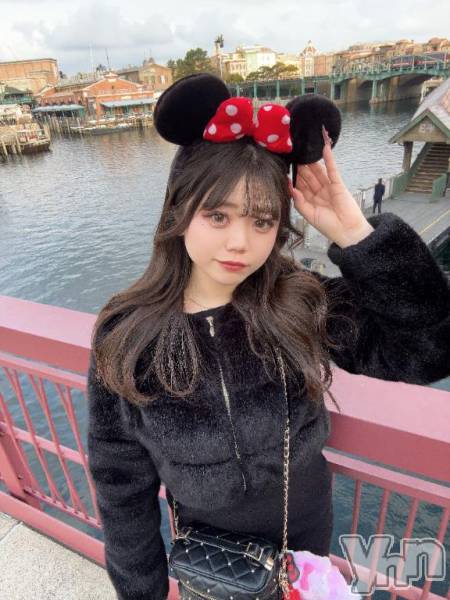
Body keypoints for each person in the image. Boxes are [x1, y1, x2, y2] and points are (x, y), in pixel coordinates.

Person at [86, 74, 450, 600]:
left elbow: (429, 350)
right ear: (180, 211)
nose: (240, 242)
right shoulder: (129, 335)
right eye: (217, 215)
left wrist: (354, 233)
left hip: (303, 548)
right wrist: (141, 591)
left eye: (261, 221)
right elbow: (122, 485)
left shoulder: (299, 301)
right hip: (211, 564)